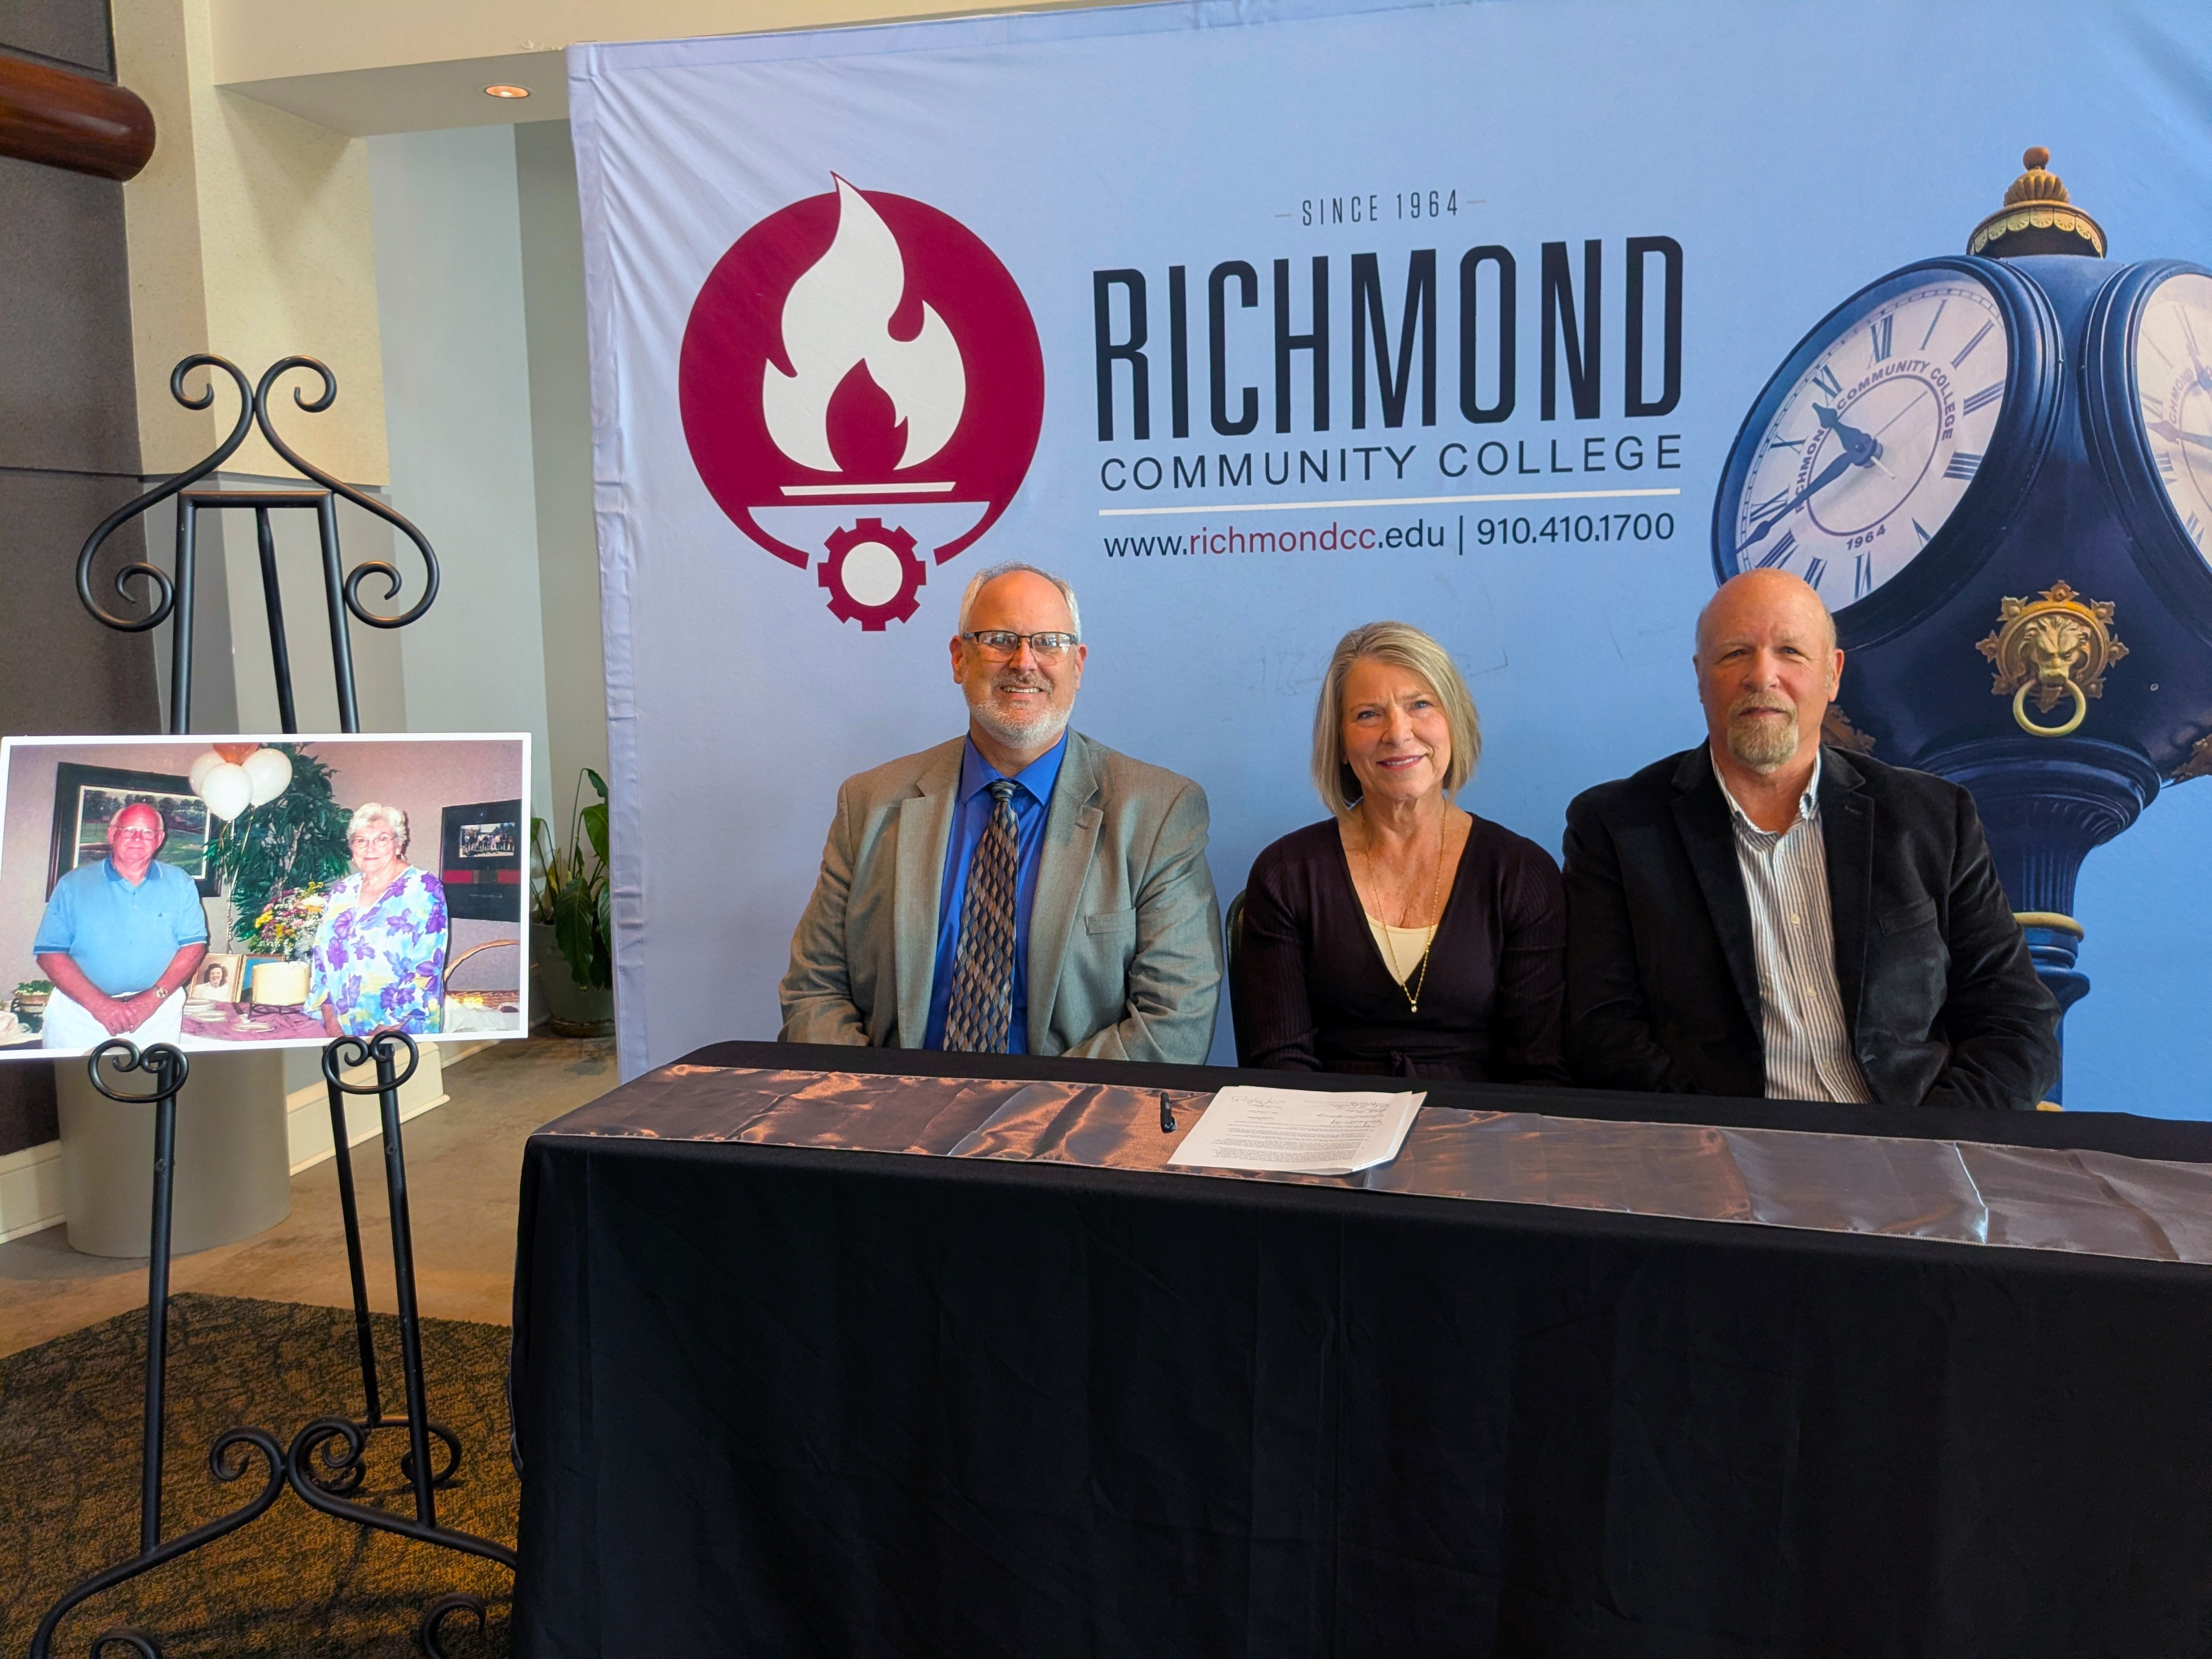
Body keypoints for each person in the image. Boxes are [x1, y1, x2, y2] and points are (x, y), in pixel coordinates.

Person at [1562, 569, 2060, 1109]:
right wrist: (1713, 1146)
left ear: (1833, 674)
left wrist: (1929, 1142)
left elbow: (2016, 1020)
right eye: (1734, 654)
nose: (1763, 675)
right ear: (1700, 676)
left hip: (1911, 1155)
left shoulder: (1933, 818)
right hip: (1720, 1165)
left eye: (1791, 652)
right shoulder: (1617, 826)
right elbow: (1603, 1029)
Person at [781, 562, 1222, 1061]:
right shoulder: (869, 803)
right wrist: (885, 1106)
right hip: (892, 1121)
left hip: (1072, 1127)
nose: (1024, 662)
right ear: (958, 659)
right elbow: (813, 992)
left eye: (1049, 642)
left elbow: (1173, 1025)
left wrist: (1023, 1114)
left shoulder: (1158, 813)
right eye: (999, 639)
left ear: (1077, 666)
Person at [1235, 622, 1568, 1080]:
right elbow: (1281, 1064)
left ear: (1455, 722)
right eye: (1368, 714)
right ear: (1341, 746)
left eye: (1420, 705)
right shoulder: (1286, 875)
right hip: (1328, 1136)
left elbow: (1539, 1073)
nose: (1398, 732)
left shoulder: (1521, 874)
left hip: (1483, 1137)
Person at [32, 802, 208, 1050]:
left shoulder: (181, 883)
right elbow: (49, 953)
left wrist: (152, 999)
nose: (138, 838)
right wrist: (100, 1005)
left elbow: (194, 947)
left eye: (148, 832)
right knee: (71, 1087)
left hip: (157, 1013)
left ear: (159, 839)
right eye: (129, 830)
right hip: (81, 1015)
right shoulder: (74, 884)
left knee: (151, 1086)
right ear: (112, 834)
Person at [307, 803, 450, 1036]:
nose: (370, 848)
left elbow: (425, 969)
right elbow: (321, 959)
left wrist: (381, 1034)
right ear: (352, 848)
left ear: (398, 844)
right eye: (361, 840)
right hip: (342, 1025)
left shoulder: (423, 887)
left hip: (401, 1026)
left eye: (382, 839)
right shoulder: (343, 890)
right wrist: (332, 1023)